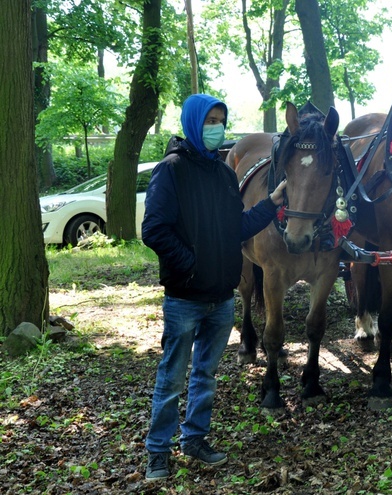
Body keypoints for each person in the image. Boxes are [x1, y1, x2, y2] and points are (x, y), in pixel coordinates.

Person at [142, 94, 286, 481]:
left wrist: (271, 204)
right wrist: (191, 264)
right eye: (210, 120)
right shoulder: (171, 170)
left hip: (221, 299)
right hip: (185, 297)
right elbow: (154, 229)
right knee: (172, 377)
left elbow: (235, 227)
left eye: (221, 120)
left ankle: (195, 440)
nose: (216, 127)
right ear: (192, 122)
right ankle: (158, 452)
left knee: (205, 374)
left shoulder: (224, 173)